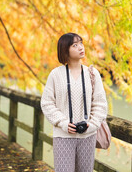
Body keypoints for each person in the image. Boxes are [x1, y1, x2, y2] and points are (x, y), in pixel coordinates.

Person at [40, 33, 108, 172]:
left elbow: (100, 103)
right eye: (75, 45)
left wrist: (92, 124)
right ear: (65, 50)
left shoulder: (92, 73)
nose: (80, 47)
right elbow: (47, 103)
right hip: (63, 136)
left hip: (88, 135)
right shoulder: (55, 74)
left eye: (81, 43)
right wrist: (63, 123)